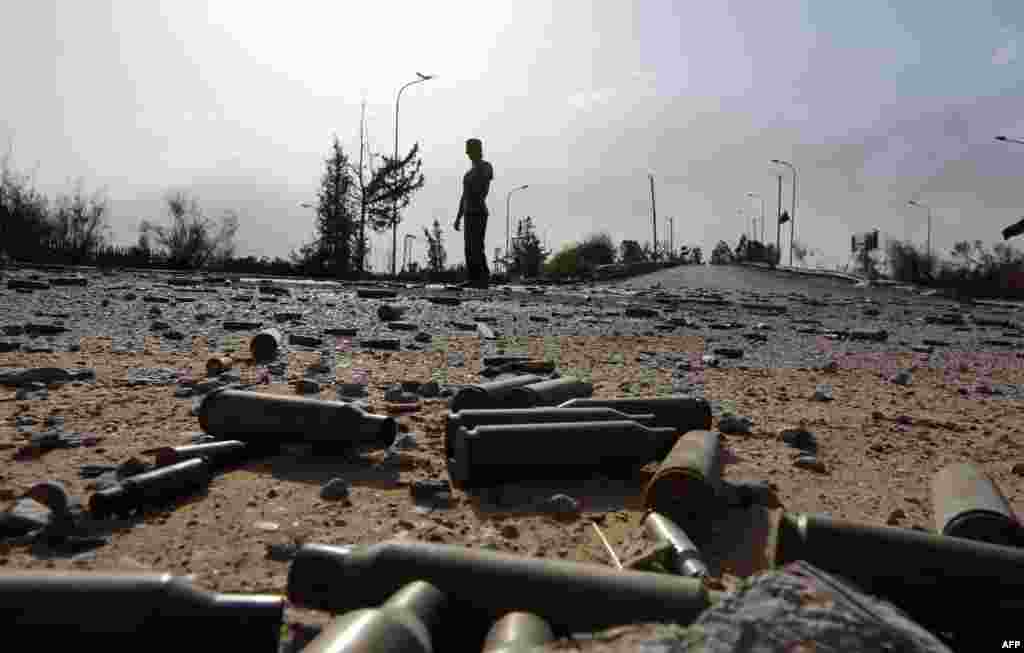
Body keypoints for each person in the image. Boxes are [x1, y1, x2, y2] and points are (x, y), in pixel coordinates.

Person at [453, 138, 494, 288]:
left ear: (478, 151)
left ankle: (483, 278)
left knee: (477, 246)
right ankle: (473, 278)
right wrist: (458, 217)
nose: (469, 153)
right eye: (468, 151)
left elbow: (484, 188)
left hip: (479, 211)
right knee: (469, 247)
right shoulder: (468, 174)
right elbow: (463, 196)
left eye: (471, 150)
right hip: (469, 213)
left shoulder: (485, 167)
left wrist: (475, 194)